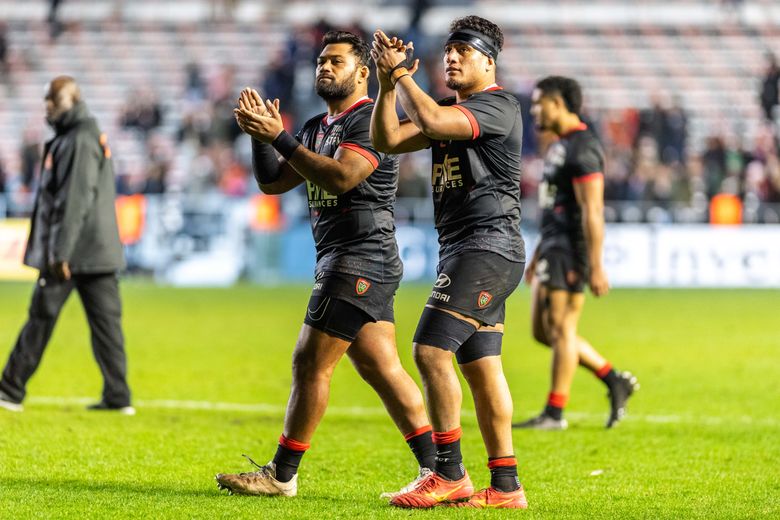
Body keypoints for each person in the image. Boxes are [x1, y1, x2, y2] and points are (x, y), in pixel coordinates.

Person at [214, 31, 435, 498]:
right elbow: (273, 183)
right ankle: (440, 469)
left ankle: (281, 475)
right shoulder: (317, 125)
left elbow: (342, 177)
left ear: (362, 72)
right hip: (346, 257)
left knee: (309, 361)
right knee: (382, 369)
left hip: (360, 257)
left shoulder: (369, 120)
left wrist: (279, 137)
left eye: (336, 61)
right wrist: (262, 138)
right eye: (321, 61)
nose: (325, 67)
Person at [370, 16, 528, 509]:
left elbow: (434, 125)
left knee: (429, 350)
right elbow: (387, 140)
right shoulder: (444, 109)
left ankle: (449, 474)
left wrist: (401, 75)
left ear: (489, 62)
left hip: (487, 246)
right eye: (448, 51)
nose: (452, 58)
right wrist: (385, 86)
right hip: (471, 248)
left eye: (464, 51)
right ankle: (506, 487)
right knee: (481, 367)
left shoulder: (498, 105)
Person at [0, 76, 133, 415]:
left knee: (40, 317)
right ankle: (118, 397)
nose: (48, 108)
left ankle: (9, 390)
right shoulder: (84, 135)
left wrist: (60, 253)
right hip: (98, 251)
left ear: (70, 102)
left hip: (72, 253)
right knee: (107, 328)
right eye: (47, 102)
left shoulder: (77, 139)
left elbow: (74, 201)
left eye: (53, 102)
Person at [513, 76, 638, 431]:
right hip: (552, 246)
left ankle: (554, 413)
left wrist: (595, 265)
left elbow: (592, 210)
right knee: (544, 332)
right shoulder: (560, 146)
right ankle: (612, 378)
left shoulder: (583, 147)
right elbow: (556, 206)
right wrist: (538, 254)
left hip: (570, 249)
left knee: (562, 329)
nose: (534, 111)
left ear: (557, 104)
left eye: (539, 104)